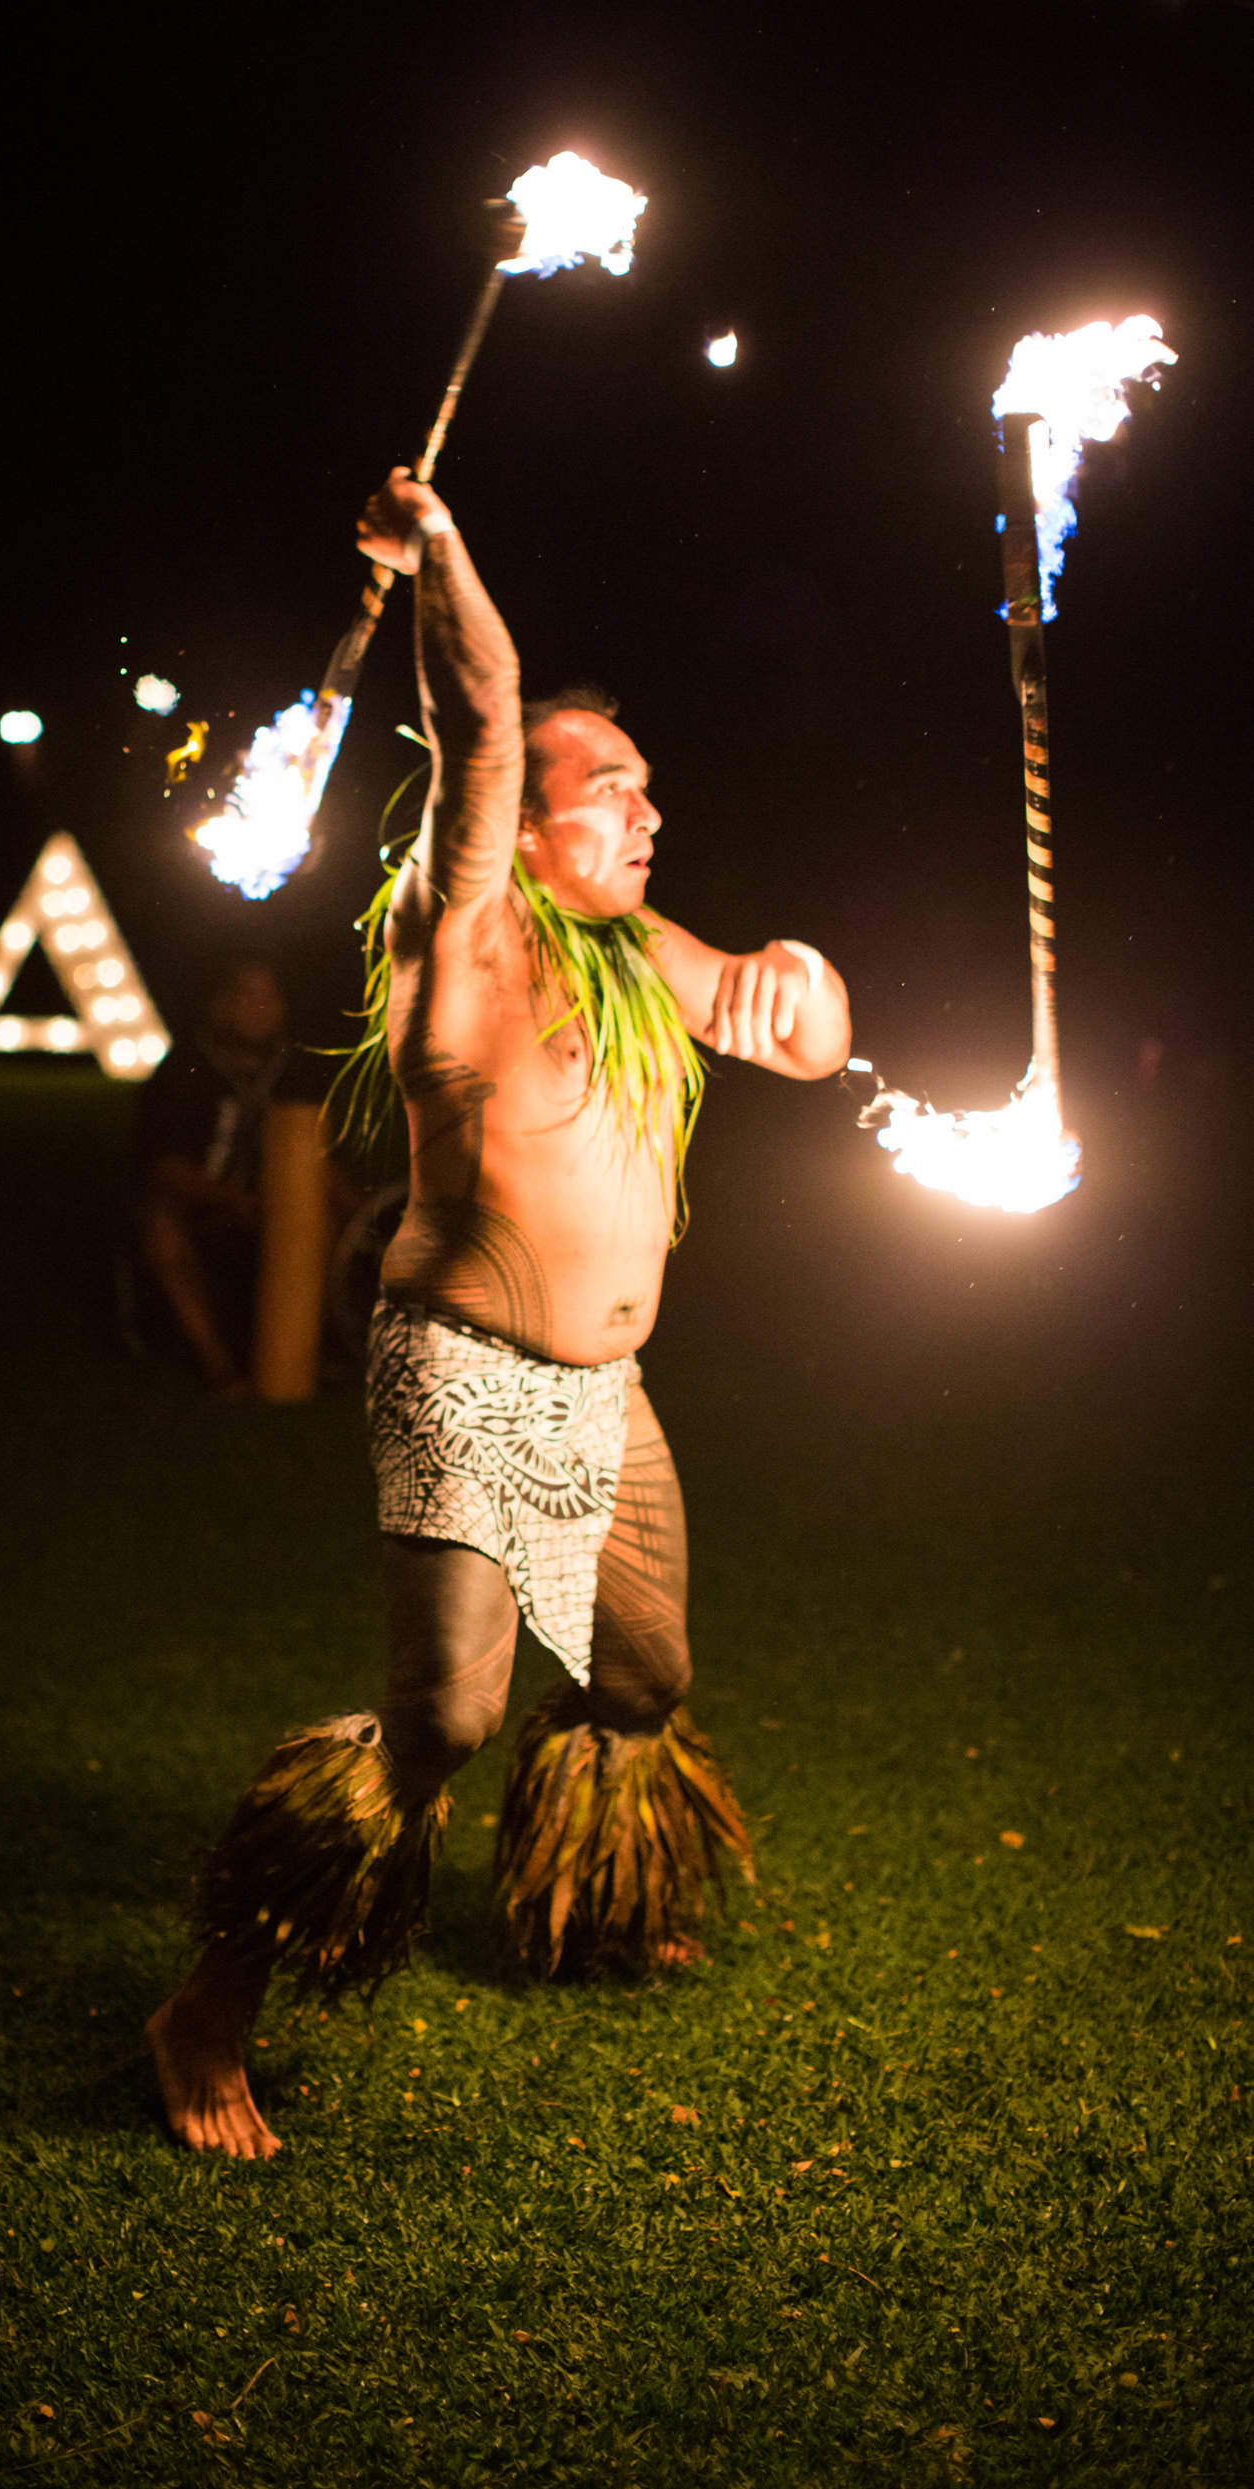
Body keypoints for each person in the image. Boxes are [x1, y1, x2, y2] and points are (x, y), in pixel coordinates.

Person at [148, 468, 852, 2156]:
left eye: (648, 784)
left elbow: (795, 1038)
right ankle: (207, 2008)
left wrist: (802, 989)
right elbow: (478, 707)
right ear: (520, 823)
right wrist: (441, 552)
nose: (647, 809)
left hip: (613, 1388)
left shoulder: (640, 947)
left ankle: (586, 1903)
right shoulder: (461, 931)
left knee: (646, 1674)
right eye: (608, 787)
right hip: (462, 1367)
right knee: (445, 1715)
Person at [126, 953, 323, 1397]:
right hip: (204, 1207)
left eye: (268, 998)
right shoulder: (184, 1069)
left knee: (329, 1221)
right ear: (218, 1004)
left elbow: (317, 1157)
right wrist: (236, 1200)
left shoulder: (292, 1068)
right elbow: (165, 1166)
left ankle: (312, 1352)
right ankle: (216, 1363)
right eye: (245, 996)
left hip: (278, 1208)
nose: (258, 1009)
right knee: (161, 1226)